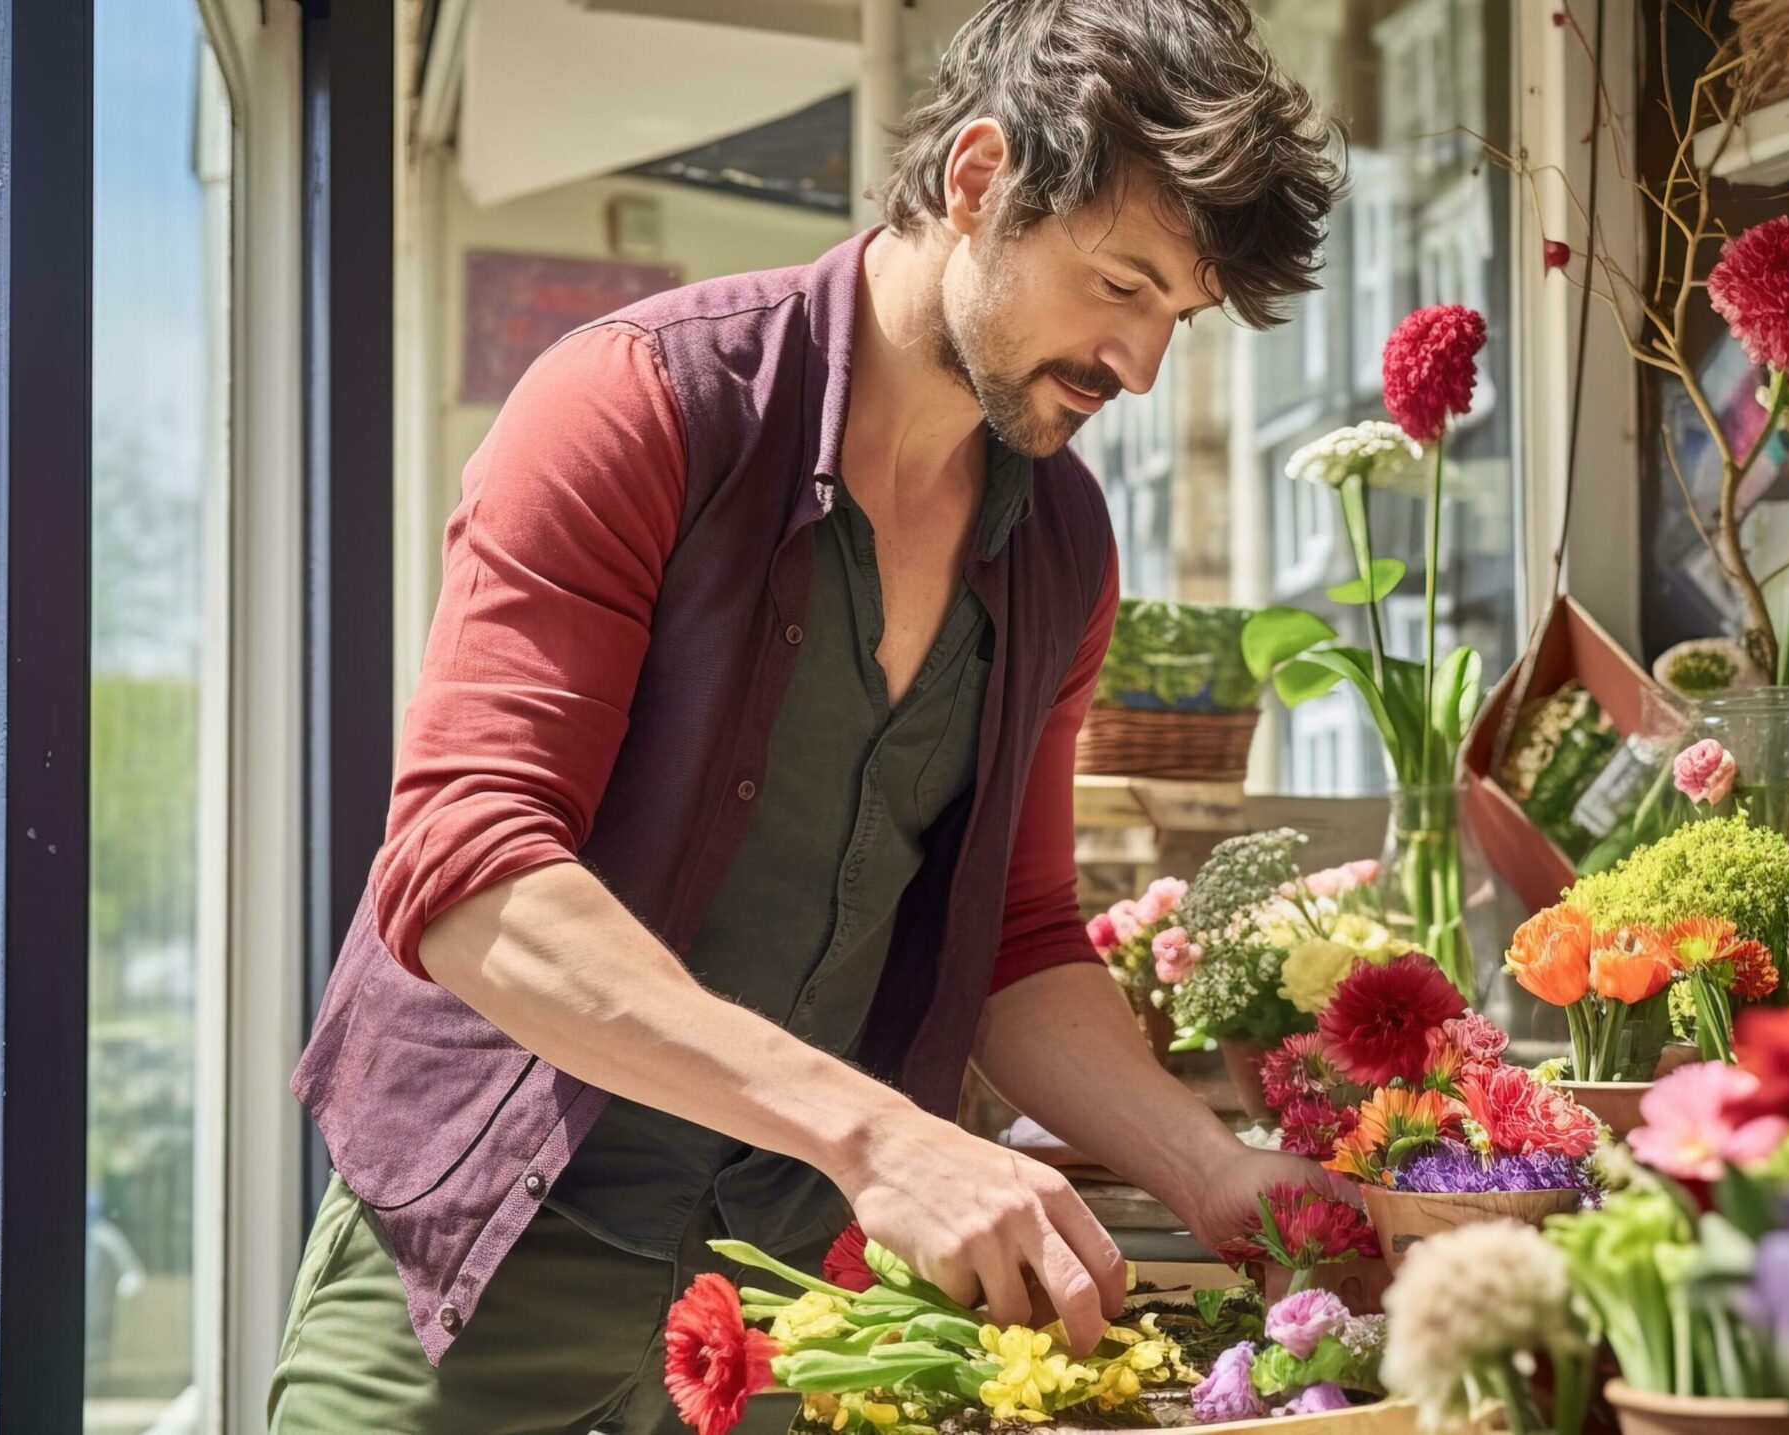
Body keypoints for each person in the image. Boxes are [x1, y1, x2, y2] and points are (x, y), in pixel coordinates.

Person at [268, 2, 1343, 1430]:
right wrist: (882, 1135)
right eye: (1120, 285)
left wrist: (1209, 1169)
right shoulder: (635, 405)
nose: (1138, 368)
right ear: (978, 182)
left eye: (1175, 321)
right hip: (478, 1254)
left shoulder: (1062, 543)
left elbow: (1017, 941)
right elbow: (468, 879)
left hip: (797, 1311)